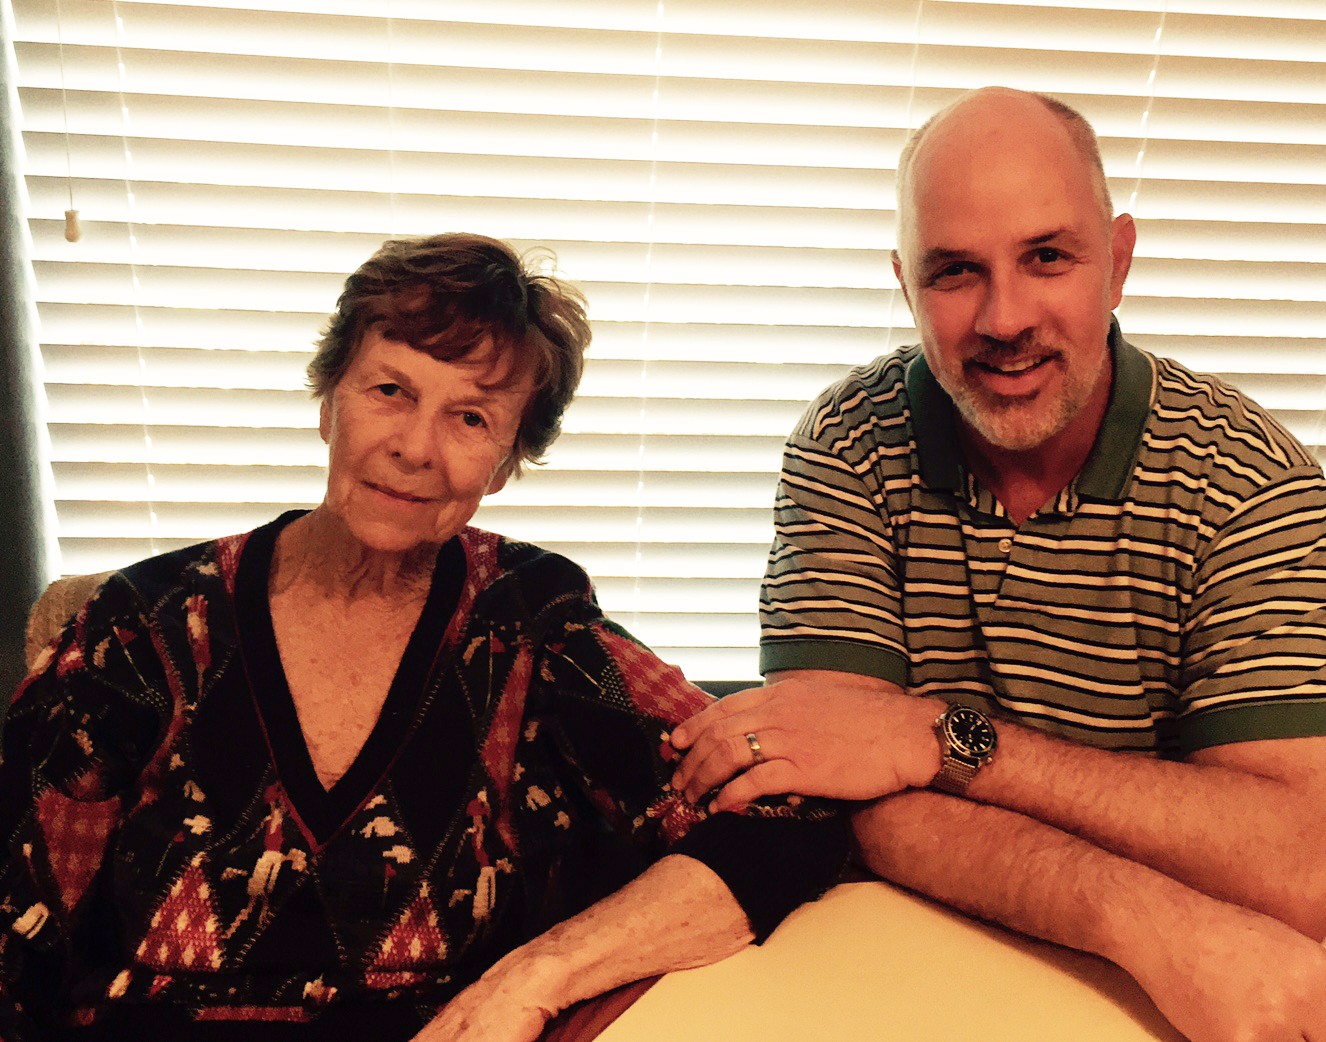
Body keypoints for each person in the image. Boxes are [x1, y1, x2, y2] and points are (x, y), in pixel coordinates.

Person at [0, 233, 845, 1042]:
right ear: (329, 400)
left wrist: (535, 979)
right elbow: (12, 923)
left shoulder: (528, 623)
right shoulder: (145, 626)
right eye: (389, 391)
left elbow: (781, 815)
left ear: (507, 463)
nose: (414, 449)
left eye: (471, 418)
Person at [670, 88, 1326, 1042]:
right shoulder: (848, 444)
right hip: (918, 959)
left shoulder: (1253, 485)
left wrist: (937, 740)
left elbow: (1299, 862)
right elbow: (833, 780)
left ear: (1119, 262)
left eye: (1048, 256)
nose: (1005, 317)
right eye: (956, 272)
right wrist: (1141, 917)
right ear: (905, 287)